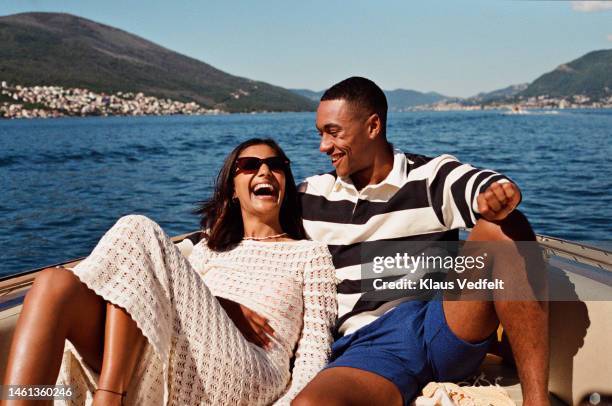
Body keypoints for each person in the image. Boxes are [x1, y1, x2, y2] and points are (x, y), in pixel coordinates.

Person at [2, 138, 337, 406]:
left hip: (252, 372)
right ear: (233, 190)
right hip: (182, 361)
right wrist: (224, 305)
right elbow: (166, 303)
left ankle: (110, 395)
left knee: (137, 228)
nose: (264, 171)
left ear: (286, 182)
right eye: (249, 165)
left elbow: (314, 352)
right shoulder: (207, 250)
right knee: (53, 284)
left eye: (276, 165)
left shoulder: (309, 254)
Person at [289, 77, 549, 406]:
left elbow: (478, 184)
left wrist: (499, 195)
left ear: (373, 126)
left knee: (502, 227)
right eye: (320, 133)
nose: (323, 146)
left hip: (442, 324)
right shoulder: (310, 197)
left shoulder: (429, 177)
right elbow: (254, 234)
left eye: (333, 132)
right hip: (373, 344)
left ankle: (537, 401)